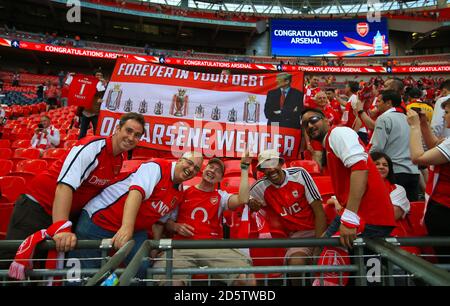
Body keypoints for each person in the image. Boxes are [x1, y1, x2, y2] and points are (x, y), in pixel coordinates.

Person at [0, 112, 145, 269]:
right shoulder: (93, 146)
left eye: (137, 135)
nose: (131, 138)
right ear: (117, 129)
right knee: (11, 266)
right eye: (128, 131)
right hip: (37, 208)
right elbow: (65, 185)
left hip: (60, 214)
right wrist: (61, 226)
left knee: (41, 271)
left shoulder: (119, 160)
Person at [70, 151, 204, 271]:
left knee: (142, 269)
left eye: (196, 168)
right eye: (189, 162)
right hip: (100, 220)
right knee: (86, 273)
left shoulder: (179, 192)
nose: (191, 169)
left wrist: (155, 246)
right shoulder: (157, 167)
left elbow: (158, 222)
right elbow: (136, 194)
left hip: (135, 231)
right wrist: (126, 227)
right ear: (180, 159)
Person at [153, 155, 256, 286]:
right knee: (171, 282)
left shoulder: (221, 196)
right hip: (182, 247)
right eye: (211, 167)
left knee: (246, 277)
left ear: (221, 178)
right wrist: (175, 226)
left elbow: (242, 199)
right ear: (203, 169)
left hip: (211, 247)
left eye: (218, 171)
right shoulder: (182, 192)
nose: (213, 171)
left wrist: (245, 169)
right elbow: (166, 222)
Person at [301, 108, 395, 248]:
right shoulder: (328, 143)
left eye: (313, 120)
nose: (309, 126)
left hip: (368, 218)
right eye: (305, 124)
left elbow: (360, 169)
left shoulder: (338, 133)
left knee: (330, 257)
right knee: (321, 251)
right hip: (358, 215)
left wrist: (350, 219)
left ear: (326, 120)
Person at [249, 149, 327, 266]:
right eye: (266, 166)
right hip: (296, 237)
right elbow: (242, 199)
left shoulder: (299, 174)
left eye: (273, 163)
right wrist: (249, 201)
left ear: (281, 163)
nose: (271, 169)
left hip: (318, 231)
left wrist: (319, 246)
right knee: (296, 264)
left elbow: (319, 211)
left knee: (325, 264)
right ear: (262, 171)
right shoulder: (260, 187)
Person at [407, 100, 450, 263]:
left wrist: (414, 127)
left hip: (444, 209)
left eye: (447, 112)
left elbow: (418, 158)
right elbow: (434, 146)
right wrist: (424, 124)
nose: (444, 116)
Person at [369, 90, 420, 201]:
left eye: (379, 101)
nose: (376, 104)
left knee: (391, 211)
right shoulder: (409, 119)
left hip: (395, 172)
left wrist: (366, 161)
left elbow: (377, 148)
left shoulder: (384, 119)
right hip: (414, 172)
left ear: (389, 103)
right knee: (412, 212)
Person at [78, 70, 107, 139]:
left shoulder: (106, 86)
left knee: (96, 132)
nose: (99, 77)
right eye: (97, 75)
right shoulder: (88, 84)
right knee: (82, 132)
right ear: (94, 76)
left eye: (101, 75)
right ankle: (79, 146)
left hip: (96, 113)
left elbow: (108, 97)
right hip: (86, 112)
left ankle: (96, 146)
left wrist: (105, 85)